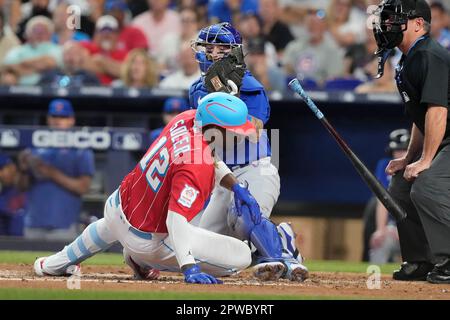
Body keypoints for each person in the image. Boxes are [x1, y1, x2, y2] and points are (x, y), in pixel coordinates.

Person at [33, 92, 283, 284]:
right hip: (147, 240)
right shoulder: (197, 163)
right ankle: (140, 259)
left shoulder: (185, 119)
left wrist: (235, 187)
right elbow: (176, 221)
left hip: (117, 205)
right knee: (241, 257)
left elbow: (211, 157)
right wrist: (189, 267)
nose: (238, 137)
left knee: (110, 227)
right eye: (233, 132)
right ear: (216, 128)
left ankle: (52, 264)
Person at [189, 22, 308, 281]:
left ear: (231, 52)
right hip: (223, 178)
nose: (211, 52)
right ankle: (275, 239)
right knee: (198, 251)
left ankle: (283, 250)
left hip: (254, 170)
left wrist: (226, 101)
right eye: (208, 47)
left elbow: (252, 131)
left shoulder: (249, 86)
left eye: (218, 48)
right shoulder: (196, 90)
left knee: (242, 215)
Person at [373, 0, 450, 284]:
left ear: (418, 24)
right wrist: (409, 158)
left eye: (395, 20)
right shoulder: (409, 58)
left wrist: (427, 160)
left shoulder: (430, 54)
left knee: (426, 187)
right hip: (442, 138)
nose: (387, 26)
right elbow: (421, 118)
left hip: (447, 138)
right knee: (400, 188)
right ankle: (420, 260)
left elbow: (438, 111)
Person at [18, 99, 95, 241]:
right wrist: (23, 170)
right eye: (54, 116)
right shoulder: (34, 146)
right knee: (26, 263)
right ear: (48, 119)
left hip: (64, 225)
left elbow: (83, 187)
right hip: (33, 223)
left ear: (71, 120)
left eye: (63, 117)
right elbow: (22, 187)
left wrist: (52, 173)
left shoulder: (80, 149)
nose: (58, 121)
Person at [362, 129, 409, 263]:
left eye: (404, 150)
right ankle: (375, 280)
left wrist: (405, 230)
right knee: (379, 241)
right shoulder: (385, 165)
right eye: (397, 150)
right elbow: (382, 200)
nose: (399, 154)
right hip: (392, 228)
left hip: (415, 230)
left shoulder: (418, 167)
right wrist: (381, 230)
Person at [283, 9, 344, 85]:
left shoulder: (332, 50)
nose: (313, 27)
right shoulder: (294, 46)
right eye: (311, 24)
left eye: (317, 24)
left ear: (324, 26)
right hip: (294, 89)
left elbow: (334, 78)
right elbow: (286, 69)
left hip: (320, 92)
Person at [3, 16, 63, 86]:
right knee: (7, 78)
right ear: (27, 34)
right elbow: (8, 67)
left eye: (43, 31)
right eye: (35, 31)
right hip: (19, 88)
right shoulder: (17, 51)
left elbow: (50, 62)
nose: (39, 34)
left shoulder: (58, 50)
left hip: (50, 87)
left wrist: (22, 66)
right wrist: (39, 68)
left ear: (50, 34)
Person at [81, 15, 129, 85]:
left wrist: (101, 60)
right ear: (95, 33)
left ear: (117, 35)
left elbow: (128, 74)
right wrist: (114, 69)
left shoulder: (124, 54)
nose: (106, 35)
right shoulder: (86, 47)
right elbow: (77, 63)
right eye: (102, 31)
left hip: (116, 94)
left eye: (111, 31)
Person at [0, 154, 26, 236]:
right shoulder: (3, 194)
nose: (1, 174)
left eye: (2, 169)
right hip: (8, 243)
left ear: (13, 167)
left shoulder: (29, 187)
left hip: (32, 240)